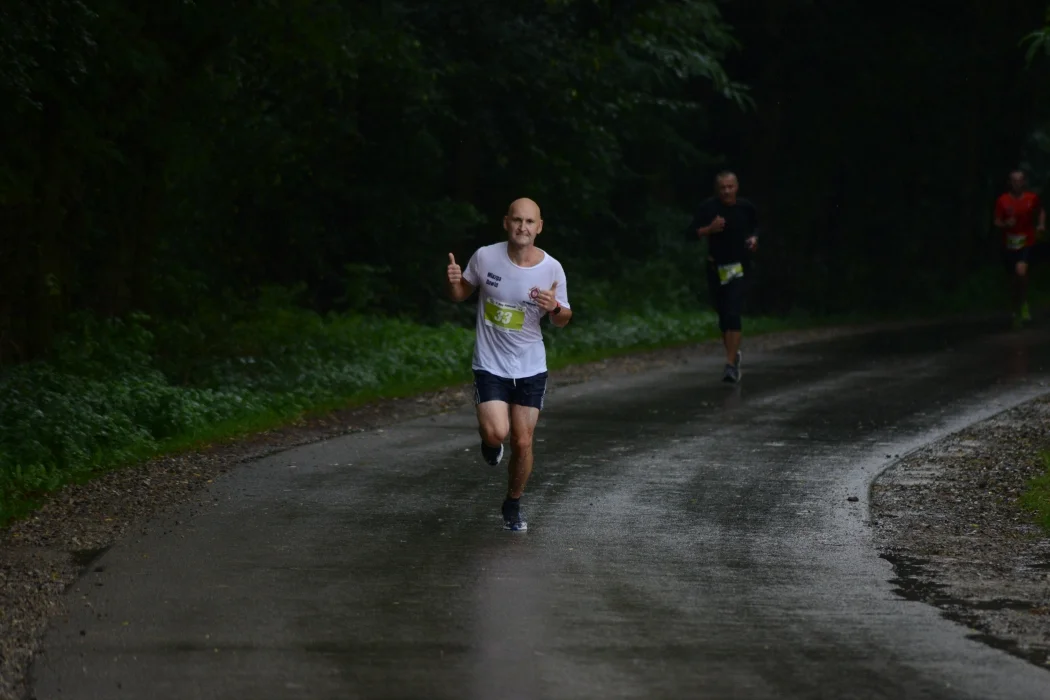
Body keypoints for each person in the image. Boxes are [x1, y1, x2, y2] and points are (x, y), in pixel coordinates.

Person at [445, 198, 572, 531]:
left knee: (523, 441)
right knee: (497, 432)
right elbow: (461, 294)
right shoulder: (485, 256)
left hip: (530, 367)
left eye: (530, 222)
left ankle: (513, 503)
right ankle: (489, 443)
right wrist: (455, 280)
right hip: (490, 364)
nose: (523, 228)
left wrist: (555, 307)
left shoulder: (552, 268)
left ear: (539, 227)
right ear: (506, 222)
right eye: (517, 220)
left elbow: (564, 319)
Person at [687, 171, 759, 383]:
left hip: (738, 268)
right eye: (722, 188)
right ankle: (733, 355)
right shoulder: (708, 208)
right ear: (717, 190)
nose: (727, 191)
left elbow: (755, 227)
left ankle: (729, 366)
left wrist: (754, 239)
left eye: (730, 187)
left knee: (733, 312)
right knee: (723, 317)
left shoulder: (746, 208)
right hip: (715, 268)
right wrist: (709, 229)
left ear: (736, 187)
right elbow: (690, 234)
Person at [993, 170, 1045, 328]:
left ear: (1024, 182)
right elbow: (996, 221)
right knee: (1013, 280)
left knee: (1021, 272)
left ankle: (1023, 305)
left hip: (1026, 242)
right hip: (1009, 244)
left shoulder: (1032, 198)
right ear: (1010, 183)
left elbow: (1041, 211)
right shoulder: (1003, 200)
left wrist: (1041, 224)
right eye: (1014, 181)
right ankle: (1016, 307)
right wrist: (1005, 224)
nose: (1017, 183)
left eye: (1020, 180)